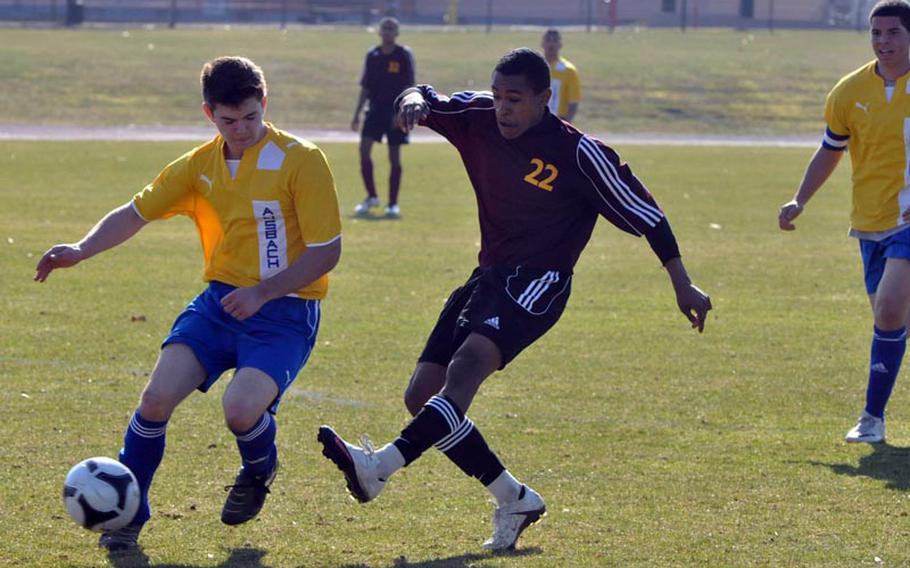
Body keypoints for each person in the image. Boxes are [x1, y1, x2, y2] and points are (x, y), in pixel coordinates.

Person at [318, 48, 711, 551]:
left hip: (540, 281)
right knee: (422, 396)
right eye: (499, 95)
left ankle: (380, 467)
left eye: (516, 99)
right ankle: (515, 497)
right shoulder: (479, 115)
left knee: (465, 369)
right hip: (488, 276)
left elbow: (646, 213)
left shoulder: (579, 154)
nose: (503, 108)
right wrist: (413, 99)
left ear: (546, 99)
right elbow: (424, 95)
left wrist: (682, 282)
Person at [35, 56, 342, 551]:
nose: (241, 129)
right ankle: (129, 514)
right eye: (228, 121)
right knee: (155, 400)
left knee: (240, 411)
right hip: (219, 305)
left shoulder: (301, 159)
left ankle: (259, 467)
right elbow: (134, 213)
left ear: (264, 104)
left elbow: (328, 250)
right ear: (209, 114)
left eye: (250, 117)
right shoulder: (200, 165)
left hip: (285, 311)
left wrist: (264, 291)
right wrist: (80, 248)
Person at [779, 0, 910, 444]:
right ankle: (876, 415)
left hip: (908, 222)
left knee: (891, 309)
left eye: (893, 33)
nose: (883, 42)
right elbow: (831, 148)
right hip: (869, 221)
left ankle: (872, 419)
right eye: (877, 33)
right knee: (888, 318)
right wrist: (800, 199)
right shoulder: (849, 90)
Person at [351, 16, 416, 219]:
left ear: (397, 33)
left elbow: (409, 86)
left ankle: (393, 204)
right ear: (379, 32)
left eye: (391, 29)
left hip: (395, 111)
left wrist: (402, 112)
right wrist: (356, 114)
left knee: (394, 156)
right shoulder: (373, 55)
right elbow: (366, 86)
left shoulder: (403, 55)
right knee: (363, 151)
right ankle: (371, 196)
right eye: (384, 28)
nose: (387, 32)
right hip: (374, 110)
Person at [541, 28, 581, 123]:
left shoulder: (568, 70)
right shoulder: (533, 67)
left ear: (560, 44)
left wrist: (567, 123)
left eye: (555, 40)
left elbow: (574, 101)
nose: (551, 44)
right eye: (548, 40)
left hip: (558, 121)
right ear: (542, 44)